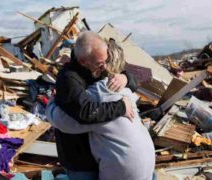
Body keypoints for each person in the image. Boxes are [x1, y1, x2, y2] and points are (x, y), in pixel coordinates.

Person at [47, 40, 155, 180]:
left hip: (122, 166)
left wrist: (50, 104)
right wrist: (126, 79)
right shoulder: (124, 90)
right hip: (146, 161)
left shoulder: (98, 93)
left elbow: (65, 122)